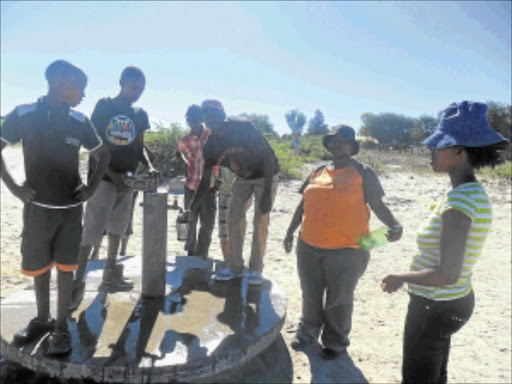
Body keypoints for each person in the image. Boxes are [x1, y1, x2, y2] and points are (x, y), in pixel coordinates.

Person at [381, 101, 509, 383]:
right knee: (435, 373)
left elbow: (447, 274)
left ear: (458, 151)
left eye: (437, 145)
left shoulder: (460, 202)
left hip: (435, 305)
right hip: (452, 301)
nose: (430, 151)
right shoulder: (470, 193)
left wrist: (400, 277)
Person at [0, 60, 110, 356]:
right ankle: (41, 320)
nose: (84, 94)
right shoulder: (24, 114)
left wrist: (91, 188)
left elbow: (103, 155)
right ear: (60, 81)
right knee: (38, 267)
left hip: (71, 210)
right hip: (37, 208)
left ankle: (61, 329)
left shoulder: (79, 121)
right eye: (80, 87)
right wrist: (14, 188)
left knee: (65, 268)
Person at [283, 124, 402, 360]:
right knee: (310, 294)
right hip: (307, 245)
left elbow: (377, 205)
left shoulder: (364, 172)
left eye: (343, 141)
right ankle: (307, 334)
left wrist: (394, 225)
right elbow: (302, 206)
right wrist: (289, 233)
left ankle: (335, 342)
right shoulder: (317, 171)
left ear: (352, 145)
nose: (337, 145)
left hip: (348, 250)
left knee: (339, 298)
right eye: (333, 140)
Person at [70, 66, 156, 310]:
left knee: (118, 227)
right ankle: (78, 281)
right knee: (92, 231)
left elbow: (140, 148)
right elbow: (93, 144)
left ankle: (111, 273)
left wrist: (149, 167)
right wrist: (111, 174)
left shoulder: (140, 114)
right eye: (133, 87)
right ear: (121, 83)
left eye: (141, 89)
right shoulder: (105, 106)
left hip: (127, 180)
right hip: (103, 179)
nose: (136, 93)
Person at [188, 100, 280, 286]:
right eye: (206, 115)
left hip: (266, 173)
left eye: (214, 113)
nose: (210, 118)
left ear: (222, 114)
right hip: (244, 178)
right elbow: (206, 180)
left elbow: (268, 156)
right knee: (233, 217)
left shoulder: (242, 126)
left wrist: (268, 194)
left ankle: (255, 269)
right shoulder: (211, 145)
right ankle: (235, 267)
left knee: (260, 220)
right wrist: (192, 208)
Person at [178, 104, 217, 259]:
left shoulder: (211, 136)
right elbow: (179, 152)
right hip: (191, 185)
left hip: (209, 187)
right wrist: (185, 162)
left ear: (202, 118)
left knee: (207, 225)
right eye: (189, 118)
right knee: (191, 222)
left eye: (195, 117)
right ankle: (190, 253)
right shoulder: (185, 140)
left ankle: (202, 255)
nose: (192, 121)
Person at [217, 166, 236, 260]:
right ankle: (227, 259)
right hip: (224, 192)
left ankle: (234, 260)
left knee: (237, 229)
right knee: (224, 231)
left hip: (240, 193)